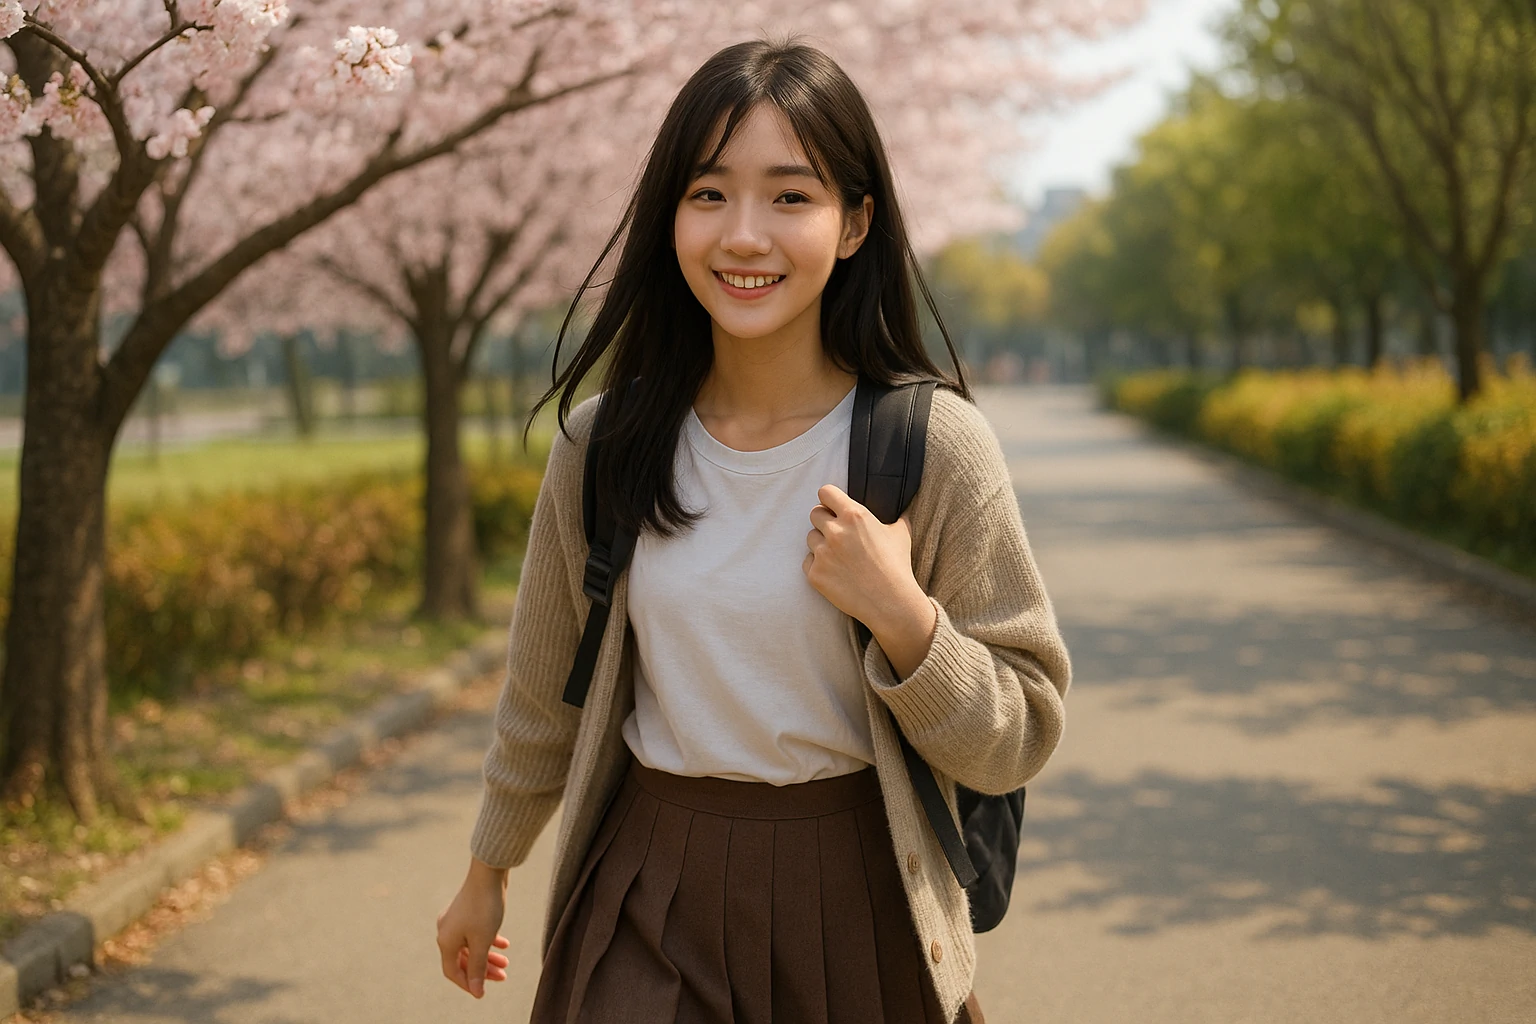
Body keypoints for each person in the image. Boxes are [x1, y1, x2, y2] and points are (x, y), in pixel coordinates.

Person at [435, 37, 1072, 1024]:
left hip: (858, 891)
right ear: (670, 215)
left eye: (789, 196)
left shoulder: (933, 448)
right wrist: (489, 866)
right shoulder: (608, 447)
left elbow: (1019, 735)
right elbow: (542, 689)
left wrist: (905, 617)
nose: (743, 235)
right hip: (649, 882)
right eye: (708, 194)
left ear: (855, 222)